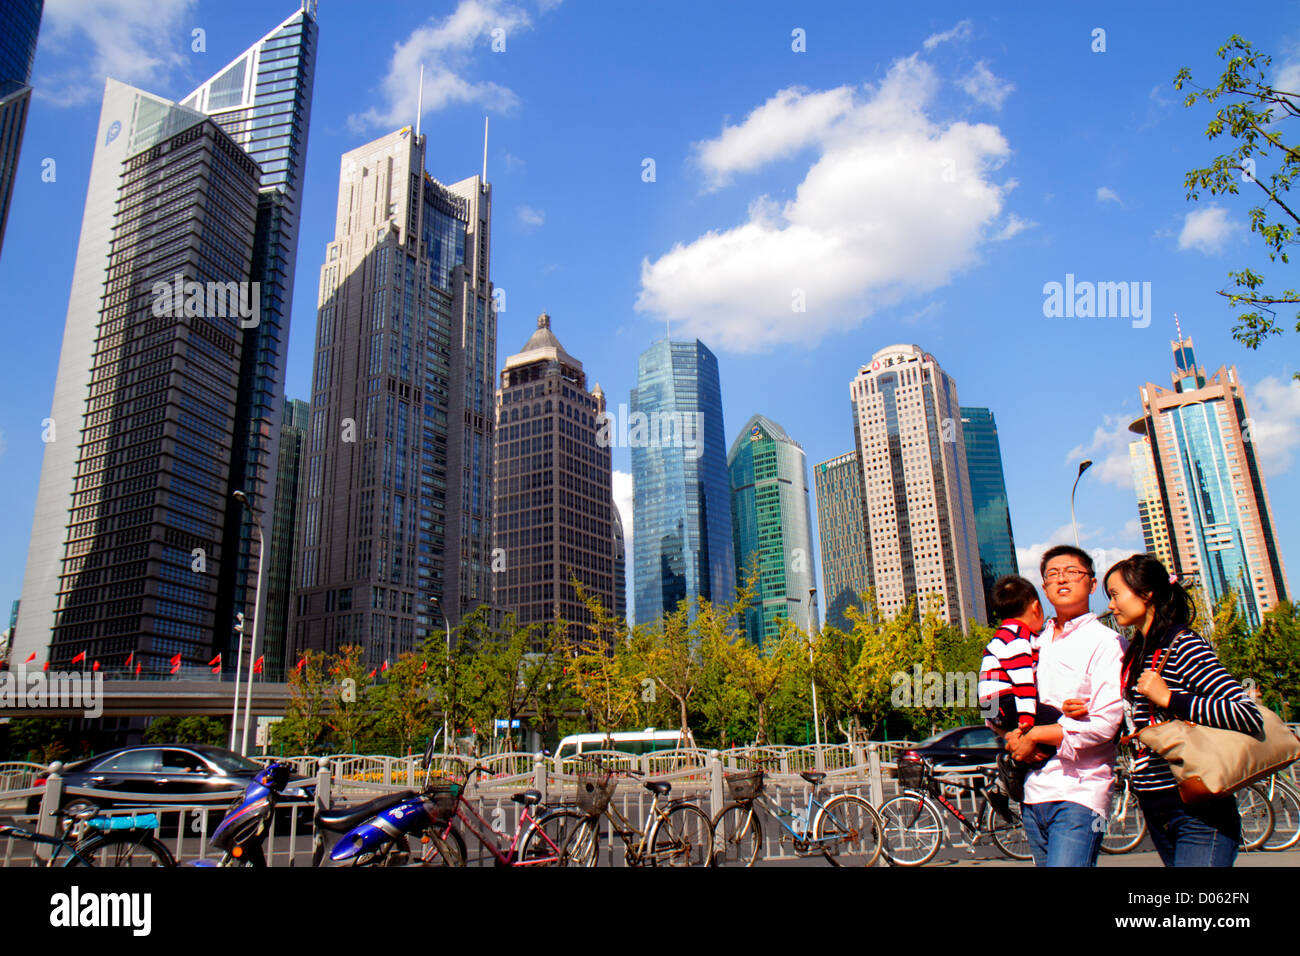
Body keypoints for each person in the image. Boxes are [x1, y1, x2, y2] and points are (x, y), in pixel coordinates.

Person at [1103, 553, 1263, 866]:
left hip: (1197, 809)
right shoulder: (1138, 652)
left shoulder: (1183, 644)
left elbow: (1245, 712)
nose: (1111, 605)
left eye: (1115, 595)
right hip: (1156, 806)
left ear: (1147, 593)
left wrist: (1170, 699)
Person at [1004, 545, 1125, 866]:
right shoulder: (1031, 645)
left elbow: (1106, 722)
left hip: (1080, 793)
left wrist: (1037, 734)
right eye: (1053, 574)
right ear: (1043, 588)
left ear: (1092, 583)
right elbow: (999, 699)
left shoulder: (1106, 643)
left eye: (1072, 572)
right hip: (1033, 794)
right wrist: (1011, 735)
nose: (1062, 580)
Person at [977, 575, 1059, 802]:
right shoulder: (1017, 639)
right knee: (1060, 723)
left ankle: (1009, 776)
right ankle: (1009, 768)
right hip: (1004, 701)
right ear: (1035, 607)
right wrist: (1027, 720)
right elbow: (1023, 682)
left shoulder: (1002, 636)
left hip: (992, 704)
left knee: (1038, 743)